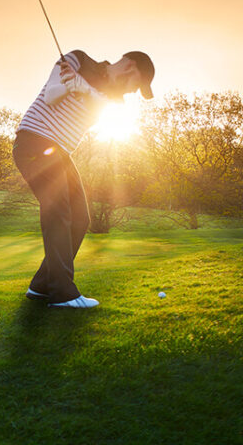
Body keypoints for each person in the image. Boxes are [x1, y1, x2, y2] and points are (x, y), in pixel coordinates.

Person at [13, 49, 155, 308]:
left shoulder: (115, 99)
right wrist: (72, 85)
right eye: (138, 85)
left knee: (80, 218)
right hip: (35, 142)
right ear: (131, 68)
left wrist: (81, 86)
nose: (134, 92)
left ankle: (41, 286)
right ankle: (63, 294)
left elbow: (103, 105)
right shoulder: (77, 59)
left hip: (59, 153)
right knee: (58, 212)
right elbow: (52, 95)